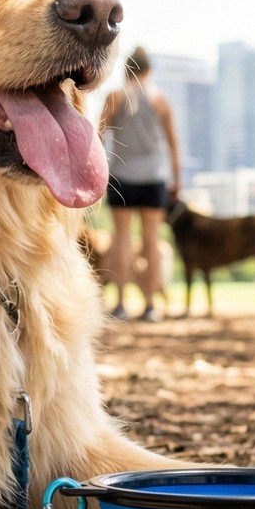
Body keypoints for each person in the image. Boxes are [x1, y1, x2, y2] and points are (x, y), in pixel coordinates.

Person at [99, 47, 182, 320]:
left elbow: (98, 135)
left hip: (121, 176)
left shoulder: (115, 96)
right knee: (152, 241)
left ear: (127, 69)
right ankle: (149, 305)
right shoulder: (160, 99)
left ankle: (120, 304)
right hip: (153, 177)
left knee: (121, 239)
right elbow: (172, 143)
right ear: (149, 70)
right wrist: (176, 179)